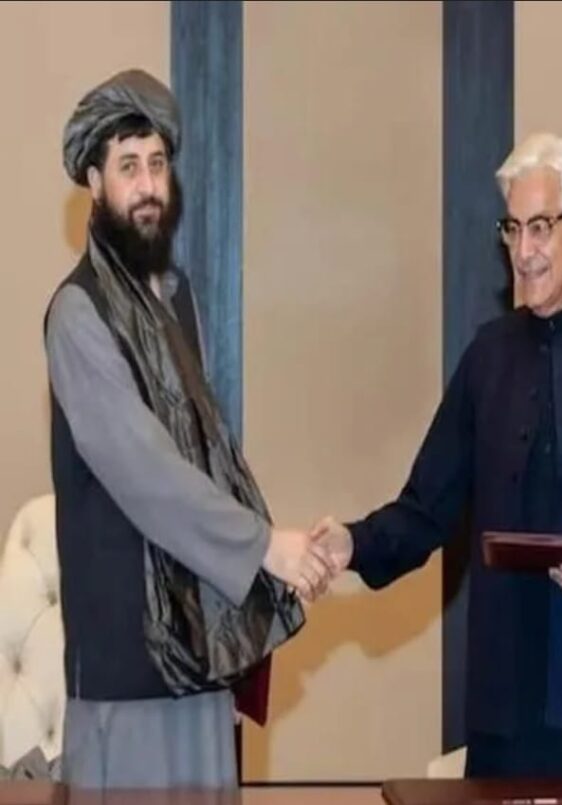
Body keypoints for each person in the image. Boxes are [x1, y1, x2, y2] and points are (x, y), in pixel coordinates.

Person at [315, 133, 562, 778]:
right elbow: (425, 508)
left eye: (541, 227)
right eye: (512, 229)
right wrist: (352, 543)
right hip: (503, 704)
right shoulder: (486, 357)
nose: (524, 251)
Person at [46, 68, 333, 789]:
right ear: (94, 182)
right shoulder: (78, 313)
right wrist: (265, 546)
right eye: (128, 167)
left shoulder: (178, 302)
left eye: (157, 164)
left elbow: (210, 460)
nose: (148, 185)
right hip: (124, 670)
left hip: (199, 651)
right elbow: (146, 472)